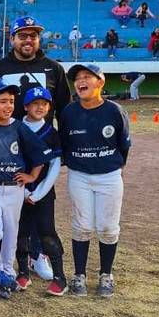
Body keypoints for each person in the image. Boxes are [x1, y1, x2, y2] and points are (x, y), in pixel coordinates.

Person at [0, 78, 50, 299]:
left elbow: (40, 154)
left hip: (14, 188)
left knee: (11, 231)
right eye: (2, 101)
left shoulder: (18, 127)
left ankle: (7, 269)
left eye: (11, 101)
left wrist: (32, 175)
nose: (8, 106)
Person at [61, 64, 131, 298]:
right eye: (77, 78)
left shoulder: (114, 111)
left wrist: (114, 169)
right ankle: (79, 275)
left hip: (109, 177)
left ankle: (106, 275)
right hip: (79, 176)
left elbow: (124, 146)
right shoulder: (69, 112)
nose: (81, 81)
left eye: (86, 77)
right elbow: (65, 144)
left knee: (108, 228)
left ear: (100, 82)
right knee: (82, 226)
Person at [14, 87, 68, 296]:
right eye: (35, 103)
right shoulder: (16, 127)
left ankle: (60, 277)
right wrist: (25, 191)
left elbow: (54, 167)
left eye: (44, 104)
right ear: (26, 106)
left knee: (47, 232)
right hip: (19, 190)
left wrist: (37, 193)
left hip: (43, 193)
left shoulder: (51, 133)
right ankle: (23, 272)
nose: (39, 107)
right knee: (21, 232)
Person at [0, 16, 71, 123]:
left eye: (33, 36)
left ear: (38, 39)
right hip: (6, 138)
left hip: (42, 137)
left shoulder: (55, 68)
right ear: (12, 39)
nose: (28, 40)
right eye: (22, 36)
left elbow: (65, 110)